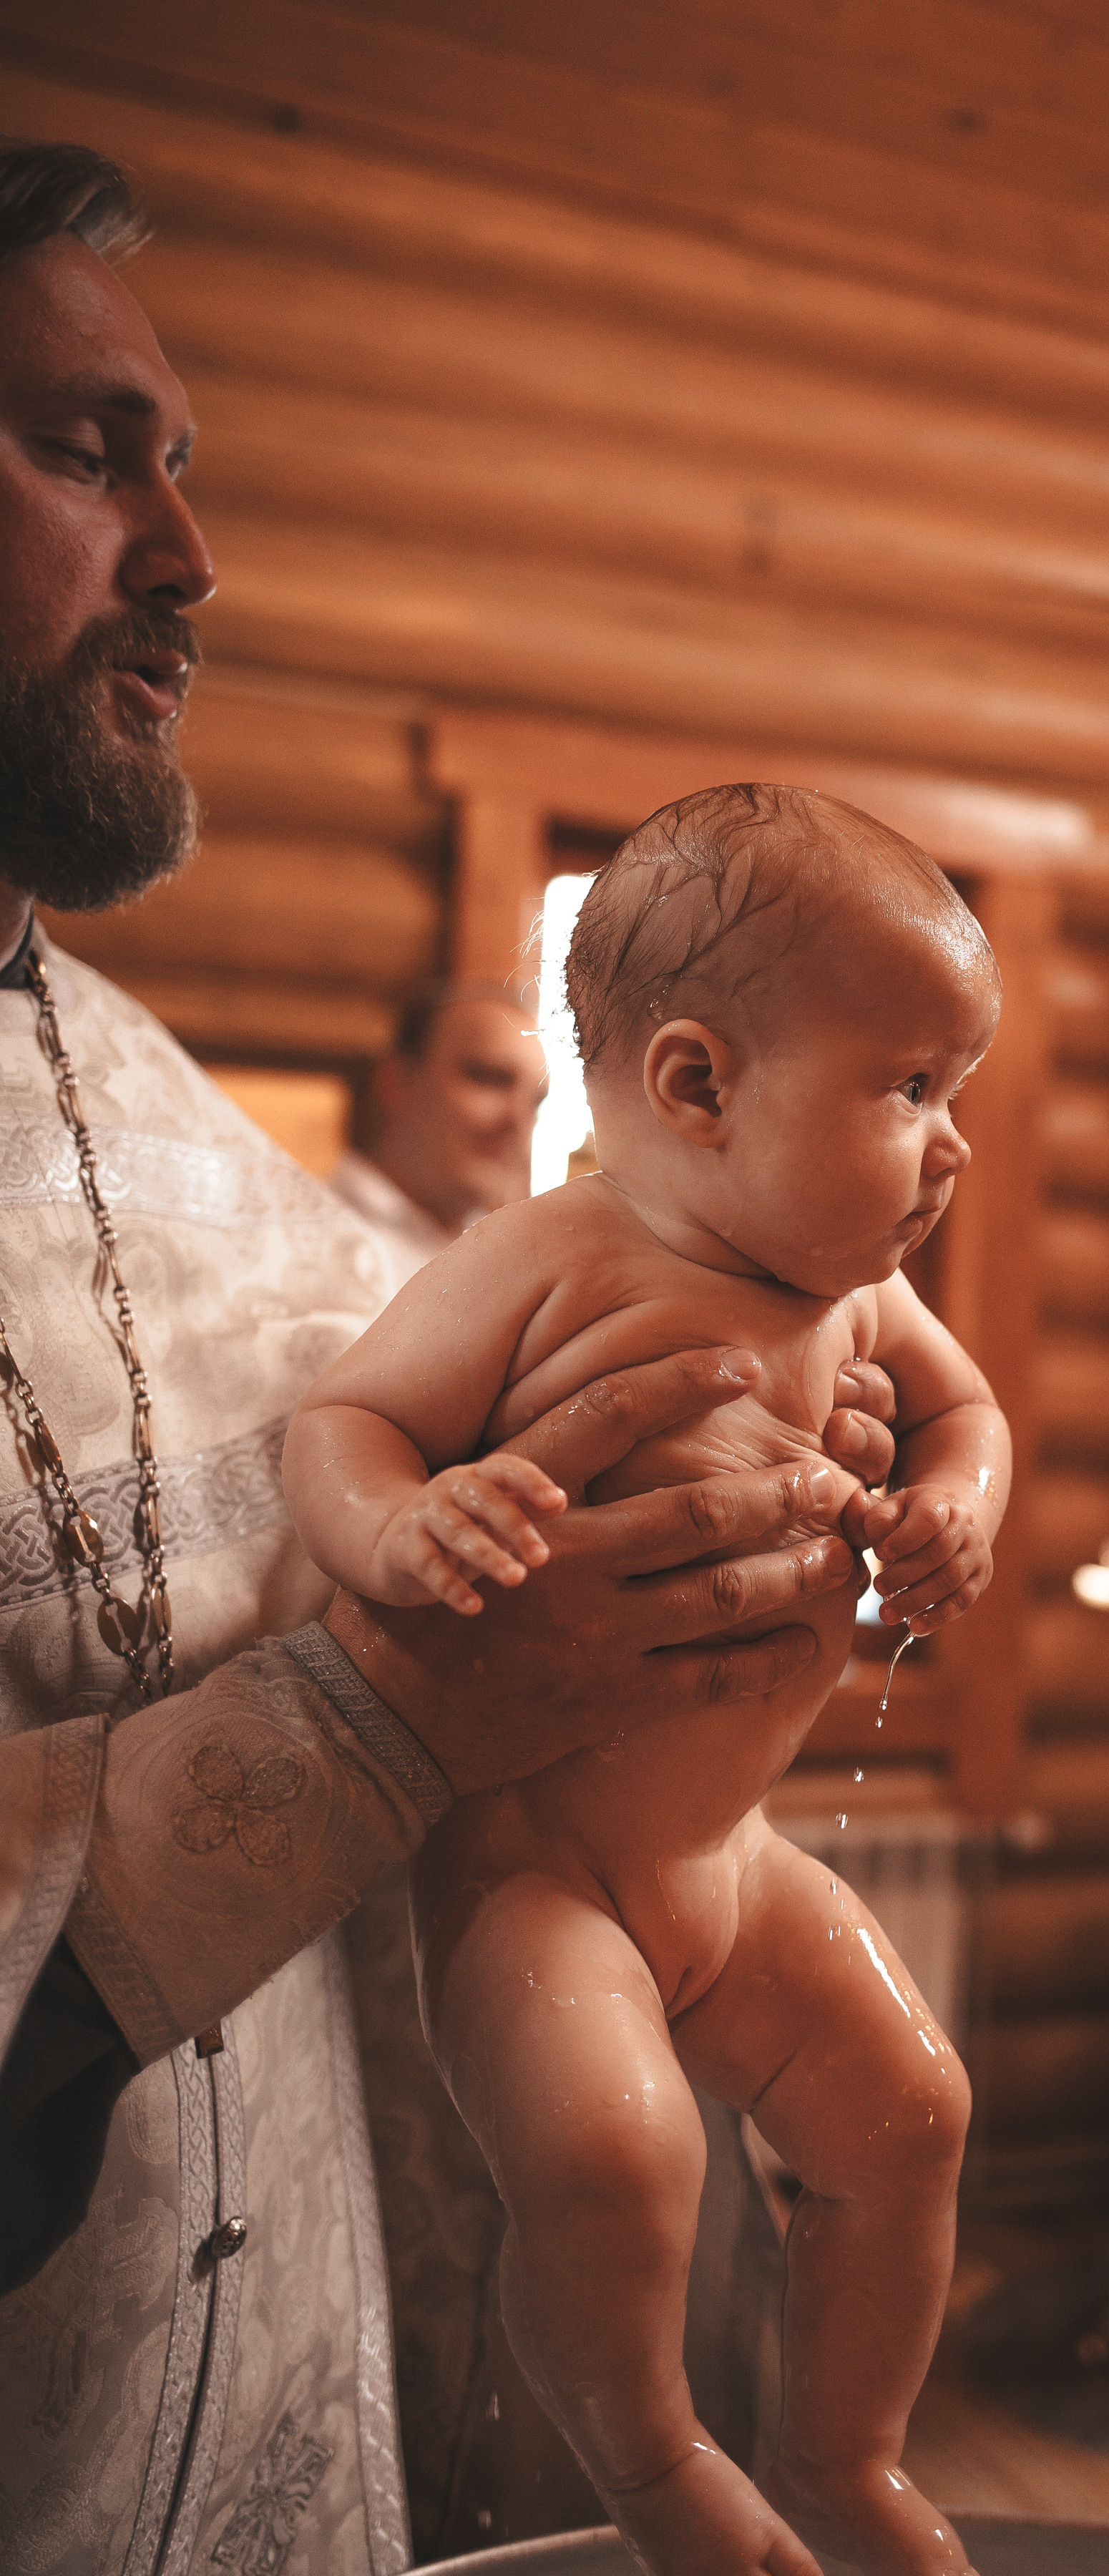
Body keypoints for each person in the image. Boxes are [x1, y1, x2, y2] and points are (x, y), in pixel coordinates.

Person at [0, 139, 899, 2572]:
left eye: (185, 462)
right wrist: (376, 1713)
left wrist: (761, 1516)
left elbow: (528, 1527)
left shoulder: (172, 1131)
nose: (192, 556)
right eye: (84, 451)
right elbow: (396, 1649)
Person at [283, 784, 1010, 2576]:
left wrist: (952, 1508)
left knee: (913, 2110)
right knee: (618, 2156)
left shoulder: (854, 1300)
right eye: (911, 1087)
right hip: (536, 1878)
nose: (951, 1147)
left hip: (729, 1862)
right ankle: (654, 2456)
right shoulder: (546, 1258)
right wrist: (405, 1527)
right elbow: (344, 1423)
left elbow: (970, 1414)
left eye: (959, 1093)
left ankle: (841, 2455)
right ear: (696, 1087)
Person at [327, 980, 549, 1299]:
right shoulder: (299, 1241)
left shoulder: (524, 1266)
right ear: (398, 1080)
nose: (519, 1120)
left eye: (536, 1101)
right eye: (490, 1078)